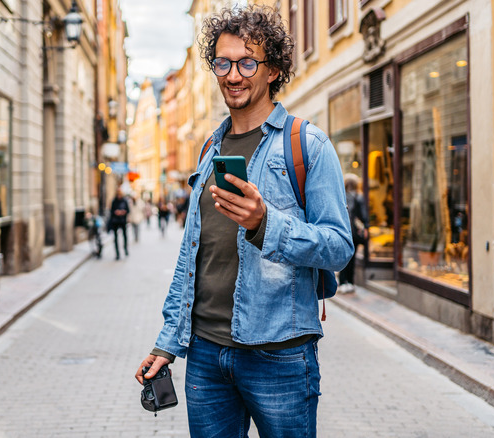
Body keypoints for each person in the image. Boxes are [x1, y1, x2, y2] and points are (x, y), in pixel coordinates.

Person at [135, 6, 353, 437]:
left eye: (247, 62)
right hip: (205, 355)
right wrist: (168, 342)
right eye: (223, 62)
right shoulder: (210, 149)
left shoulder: (306, 143)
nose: (233, 75)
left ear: (272, 69)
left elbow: (338, 246)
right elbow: (192, 255)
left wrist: (265, 224)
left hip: (280, 356)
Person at [339, 174, 368, 293]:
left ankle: (342, 283)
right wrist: (366, 227)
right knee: (352, 257)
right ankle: (350, 282)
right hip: (354, 234)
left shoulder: (340, 197)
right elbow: (364, 216)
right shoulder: (359, 197)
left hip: (342, 231)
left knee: (342, 258)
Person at [108, 188, 130, 260]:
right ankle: (117, 253)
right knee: (116, 237)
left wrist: (124, 212)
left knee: (124, 236)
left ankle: (125, 249)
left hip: (123, 221)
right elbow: (111, 211)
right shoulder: (114, 201)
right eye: (118, 194)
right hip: (115, 221)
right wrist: (116, 212)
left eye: (120, 194)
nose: (119, 195)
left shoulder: (124, 201)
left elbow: (128, 210)